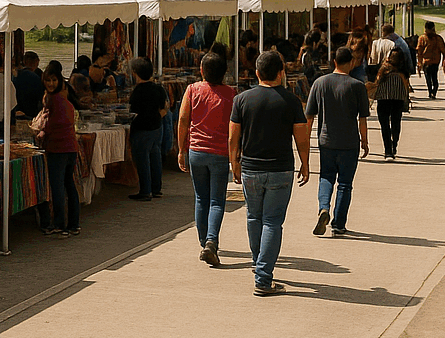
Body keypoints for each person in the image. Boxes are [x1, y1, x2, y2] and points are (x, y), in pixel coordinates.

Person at [230, 51, 310, 296]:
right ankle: (264, 278)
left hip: (251, 169)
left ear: (257, 73)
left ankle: (259, 263)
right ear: (281, 72)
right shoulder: (291, 100)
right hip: (280, 169)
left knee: (254, 217)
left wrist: (234, 162)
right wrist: (305, 163)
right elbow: (301, 136)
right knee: (273, 222)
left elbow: (233, 136)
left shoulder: (242, 100)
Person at [178, 53, 236, 266]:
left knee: (201, 198)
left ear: (202, 70)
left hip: (196, 152)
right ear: (225, 73)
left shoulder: (193, 90)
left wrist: (180, 149)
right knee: (217, 200)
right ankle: (211, 240)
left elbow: (183, 120)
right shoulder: (232, 94)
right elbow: (235, 127)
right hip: (220, 153)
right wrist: (236, 155)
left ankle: (204, 242)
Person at [306, 47, 370, 236]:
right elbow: (362, 118)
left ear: (334, 62)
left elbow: (309, 116)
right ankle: (338, 223)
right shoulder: (357, 85)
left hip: (326, 141)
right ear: (351, 63)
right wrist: (364, 140)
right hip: (349, 143)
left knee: (326, 176)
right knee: (345, 183)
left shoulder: (319, 83)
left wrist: (306, 141)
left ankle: (323, 207)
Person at [37, 63, 81, 236]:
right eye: (48, 80)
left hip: (59, 148)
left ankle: (60, 224)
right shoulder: (62, 99)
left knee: (59, 187)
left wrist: (41, 134)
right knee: (69, 185)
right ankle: (73, 224)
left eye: (54, 80)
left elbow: (51, 124)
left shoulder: (54, 99)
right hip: (70, 147)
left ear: (59, 80)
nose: (50, 83)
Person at [128, 57, 169, 201]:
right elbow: (165, 106)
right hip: (156, 128)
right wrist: (158, 116)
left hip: (141, 129)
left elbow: (133, 111)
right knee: (155, 158)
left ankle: (145, 191)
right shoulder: (158, 88)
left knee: (142, 160)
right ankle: (156, 188)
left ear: (135, 73)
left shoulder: (138, 92)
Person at [374, 50, 411, 159]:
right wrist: (406, 98)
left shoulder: (384, 68)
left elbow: (377, 80)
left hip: (383, 99)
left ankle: (388, 150)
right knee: (396, 122)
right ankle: (394, 143)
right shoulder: (403, 71)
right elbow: (406, 85)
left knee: (384, 125)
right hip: (398, 99)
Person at [416, 21, 445, 99]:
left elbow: (419, 52)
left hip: (426, 62)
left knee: (428, 78)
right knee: (434, 78)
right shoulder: (438, 38)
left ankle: (430, 92)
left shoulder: (422, 38)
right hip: (435, 61)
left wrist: (419, 63)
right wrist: (444, 62)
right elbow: (444, 51)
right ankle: (433, 92)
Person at [13, 51, 45, 118]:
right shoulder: (37, 77)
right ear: (37, 62)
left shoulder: (16, 75)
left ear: (24, 62)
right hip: (31, 112)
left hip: (16, 110)